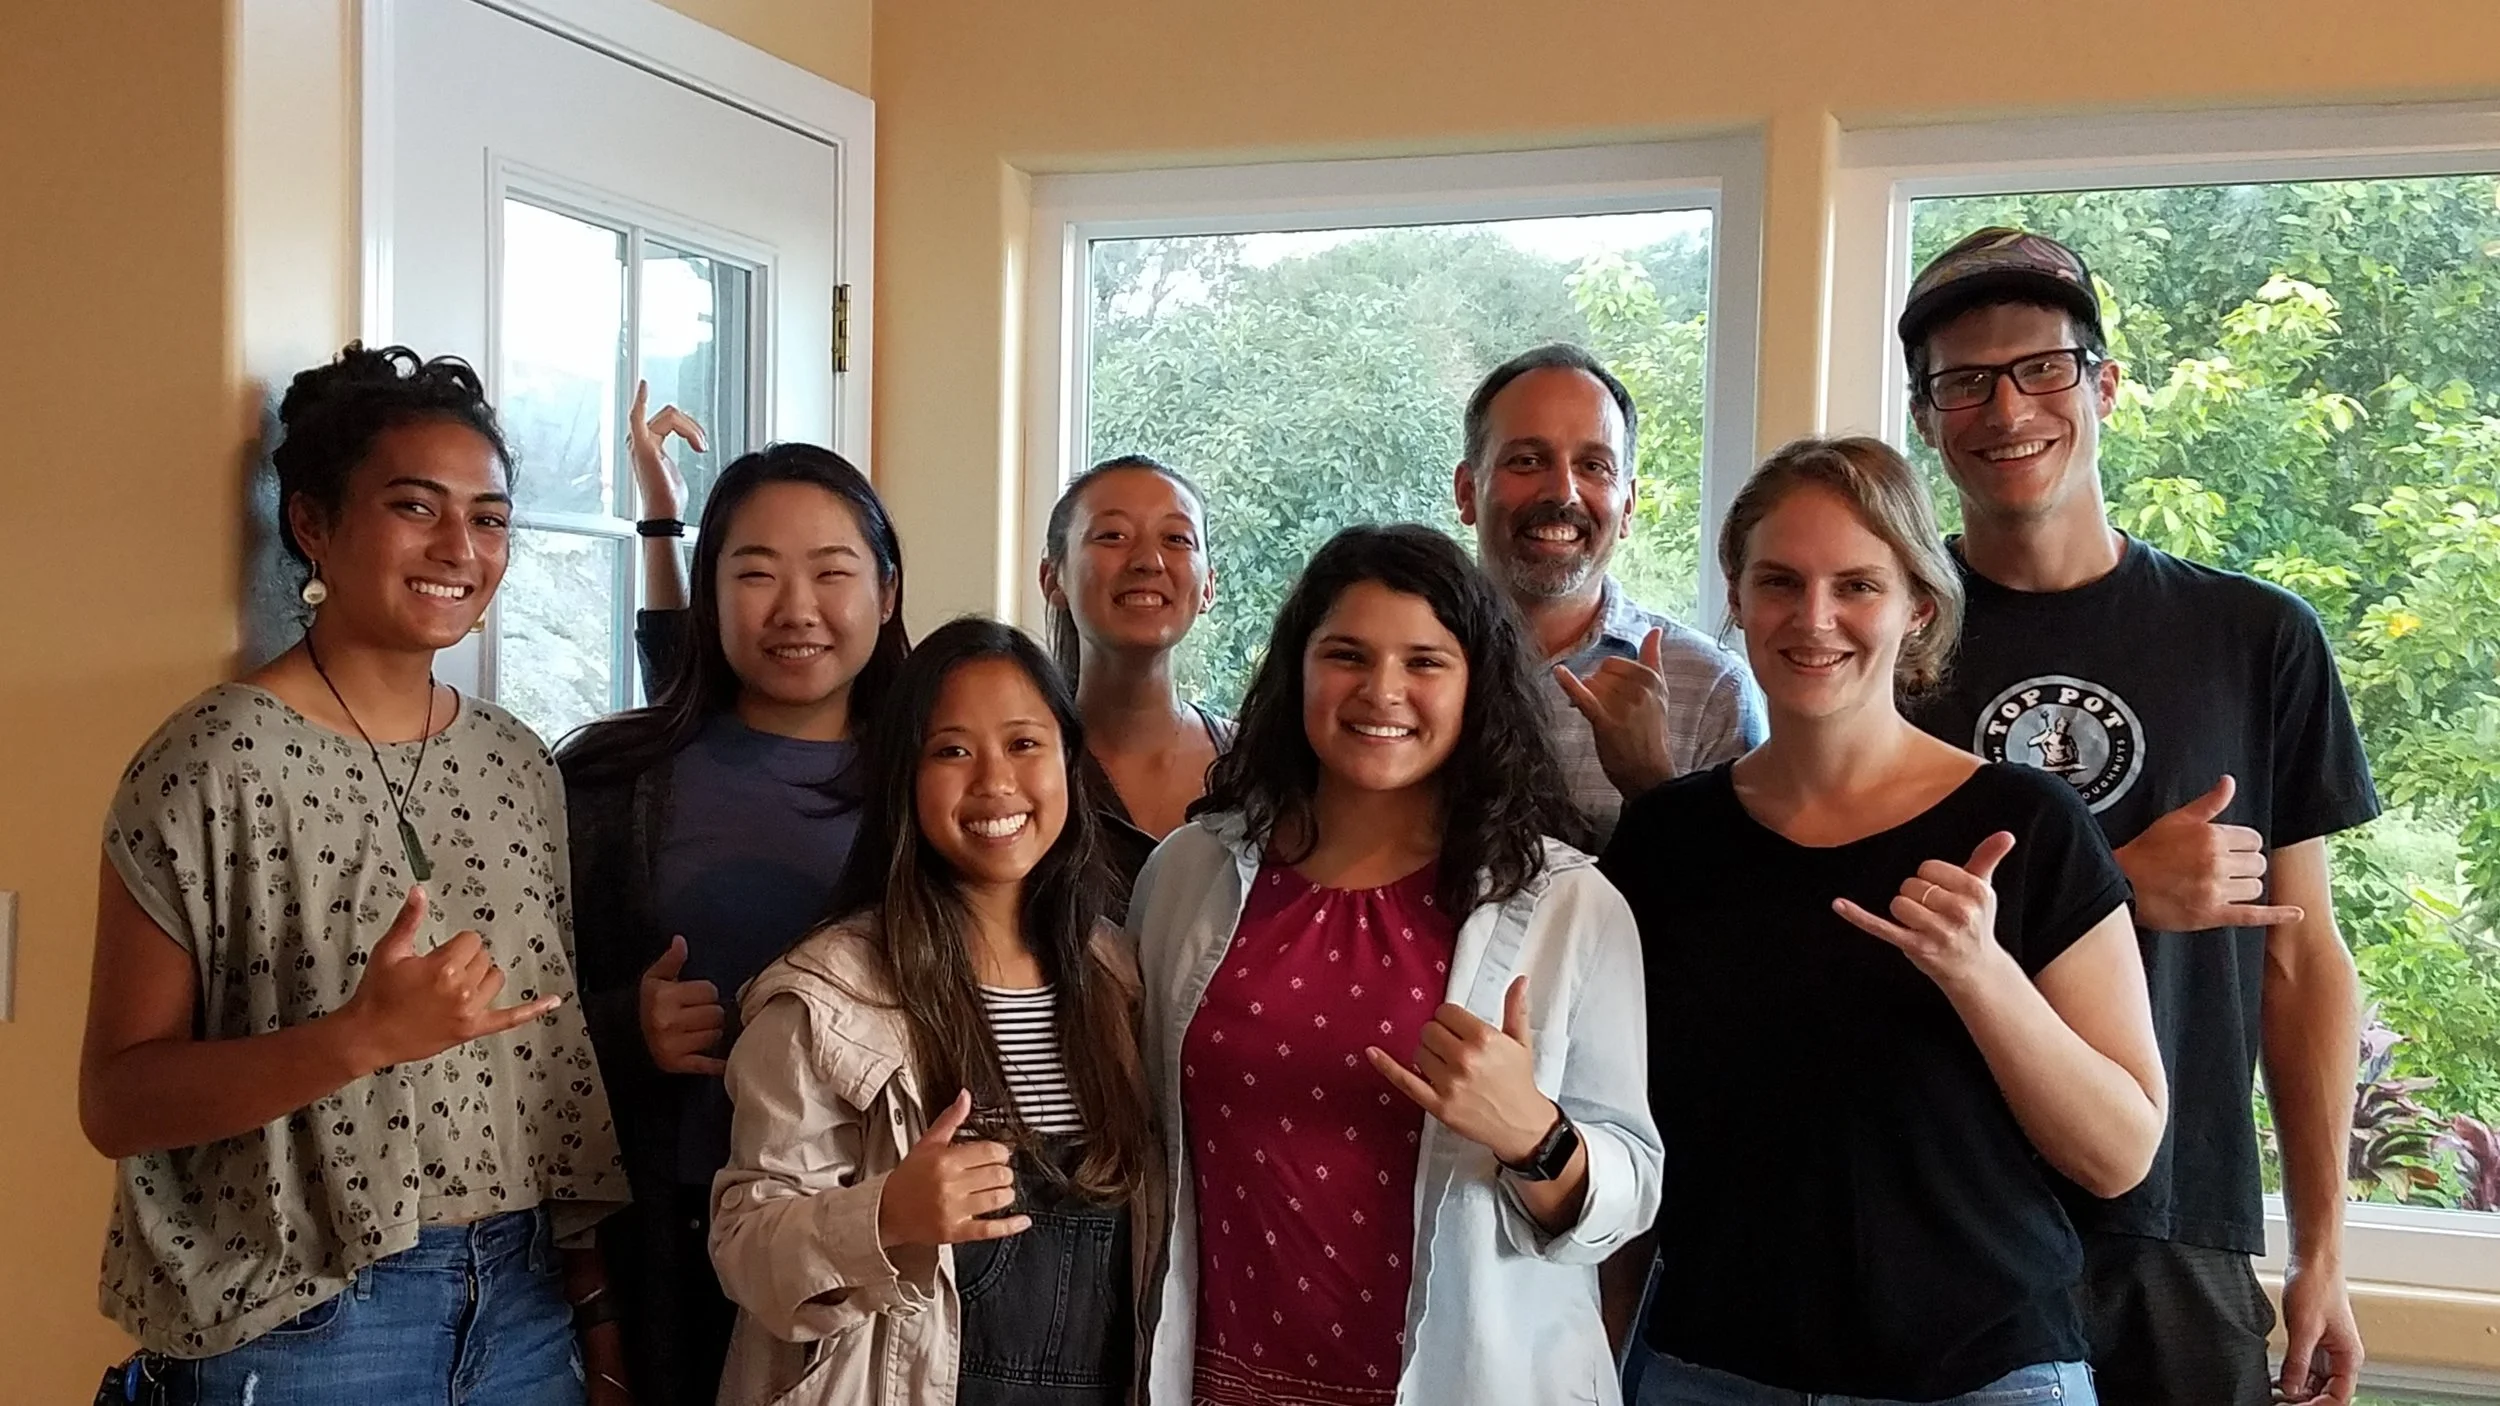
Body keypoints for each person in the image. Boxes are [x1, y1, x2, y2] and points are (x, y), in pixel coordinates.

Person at [79, 343, 628, 1405]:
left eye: (490, 515)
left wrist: (593, 1316)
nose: (460, 546)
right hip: (300, 1319)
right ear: (314, 525)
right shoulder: (214, 759)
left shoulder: (518, 761)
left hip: (520, 1307)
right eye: (416, 506)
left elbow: (543, 1076)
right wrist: (357, 1039)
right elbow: (117, 1097)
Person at [1901, 227, 2379, 1406]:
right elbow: (1856, 947)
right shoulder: (1886, 646)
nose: (2005, 406)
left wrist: (2323, 1249)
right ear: (1926, 417)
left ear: (2104, 383)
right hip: (1940, 1216)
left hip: (2179, 1222)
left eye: (2041, 367)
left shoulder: (2256, 637)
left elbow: (2301, 954)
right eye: (1962, 380)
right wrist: (2115, 882)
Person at [1605, 436, 2166, 1405]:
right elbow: (1625, 1141)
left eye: (1856, 584)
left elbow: (2119, 1151)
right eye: (1778, 580)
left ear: (1918, 605)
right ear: (1735, 598)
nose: (1813, 617)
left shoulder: (2025, 824)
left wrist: (1979, 971)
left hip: (1981, 1376)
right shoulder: (1665, 838)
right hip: (1707, 1369)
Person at [1128, 524, 1661, 1405]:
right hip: (1219, 1376)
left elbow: (1632, 1190)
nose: (1382, 691)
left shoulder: (1571, 904)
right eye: (1346, 654)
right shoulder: (1188, 873)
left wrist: (1537, 1136)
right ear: (1297, 669)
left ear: (1475, 685)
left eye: (1424, 662)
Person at [708, 618, 1156, 1406]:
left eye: (1024, 744)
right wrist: (886, 1215)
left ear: (1069, 762)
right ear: (904, 779)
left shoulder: (1117, 974)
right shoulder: (826, 996)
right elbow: (744, 1247)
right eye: (952, 751)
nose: (994, 784)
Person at [554, 442, 908, 1406]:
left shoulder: (943, 782)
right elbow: (505, 1029)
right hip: (673, 1245)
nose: (795, 608)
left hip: (888, 1237)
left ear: (885, 589)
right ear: (707, 595)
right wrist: (624, 1027)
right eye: (755, 573)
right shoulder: (609, 782)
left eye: (832, 572)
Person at [1453, 344, 1764, 844]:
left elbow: (1737, 908)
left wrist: (1654, 785)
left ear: (1629, 505)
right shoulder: (1399, 669)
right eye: (1528, 460)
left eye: (1594, 466)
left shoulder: (1710, 691)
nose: (1563, 492)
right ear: (1467, 492)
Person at [1039, 454, 1231, 910]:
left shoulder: (1255, 770)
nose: (1149, 560)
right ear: (1052, 577)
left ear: (1208, 587)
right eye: (1113, 536)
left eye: (1177, 538)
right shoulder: (1019, 767)